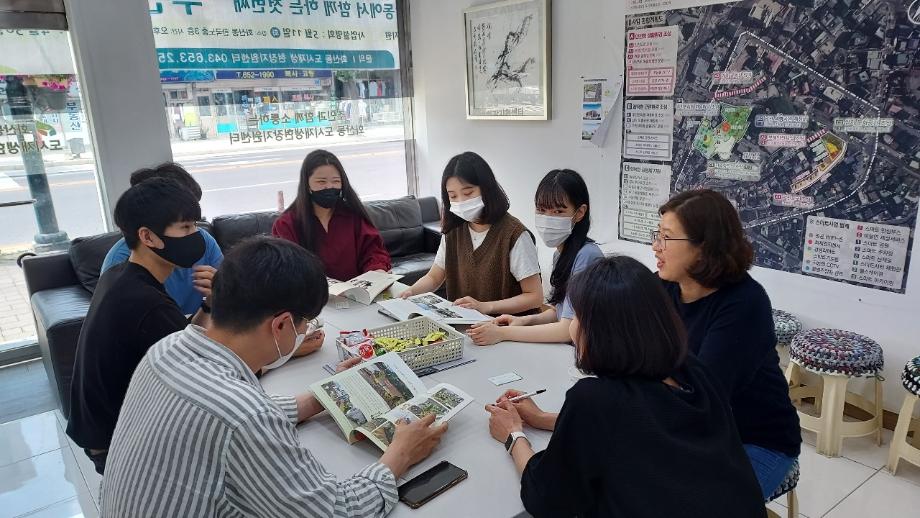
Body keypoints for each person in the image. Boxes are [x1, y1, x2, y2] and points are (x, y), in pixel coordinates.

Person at [101, 237, 447, 517]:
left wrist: (321, 398)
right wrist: (399, 455)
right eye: (305, 323)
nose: (306, 330)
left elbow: (234, 414)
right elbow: (337, 511)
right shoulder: (244, 415)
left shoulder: (167, 350)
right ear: (281, 325)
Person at [485, 256, 766, 518]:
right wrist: (542, 418)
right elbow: (639, 426)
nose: (572, 328)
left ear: (599, 330)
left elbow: (546, 499)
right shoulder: (693, 370)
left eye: (577, 317)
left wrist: (513, 435)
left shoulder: (595, 399)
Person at [654, 189, 801, 498]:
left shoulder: (744, 303)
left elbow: (703, 395)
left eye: (667, 237)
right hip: (688, 428)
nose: (656, 246)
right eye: (657, 235)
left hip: (754, 441)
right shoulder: (664, 287)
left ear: (704, 247)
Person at [67, 178, 210, 475]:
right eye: (185, 228)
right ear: (147, 236)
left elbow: (184, 340)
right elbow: (205, 373)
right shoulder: (145, 302)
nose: (197, 236)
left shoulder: (121, 275)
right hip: (120, 444)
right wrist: (277, 352)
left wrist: (211, 304)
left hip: (103, 430)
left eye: (195, 225)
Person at [468, 169, 603, 344]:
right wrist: (524, 321)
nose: (548, 218)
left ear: (579, 213)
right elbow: (559, 312)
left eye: (558, 211)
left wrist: (503, 333)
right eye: (541, 210)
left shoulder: (587, 256)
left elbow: (566, 330)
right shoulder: (561, 254)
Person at [401, 152, 542, 315]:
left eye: (468, 193)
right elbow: (434, 277)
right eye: (453, 196)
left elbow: (535, 296)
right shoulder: (453, 231)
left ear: (487, 189)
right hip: (467, 323)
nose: (461, 201)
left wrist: (486, 307)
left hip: (507, 326)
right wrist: (411, 292)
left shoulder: (514, 234)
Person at [101, 162, 222, 316]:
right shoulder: (123, 271)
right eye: (185, 224)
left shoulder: (204, 240)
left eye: (194, 222)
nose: (194, 232)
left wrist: (217, 297)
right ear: (147, 236)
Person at [272, 149, 392, 281]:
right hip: (312, 292)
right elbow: (287, 268)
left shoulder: (353, 215)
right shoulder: (286, 223)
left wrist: (378, 270)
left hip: (357, 291)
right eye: (321, 182)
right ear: (307, 184)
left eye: (335, 181)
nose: (329, 187)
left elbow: (373, 251)